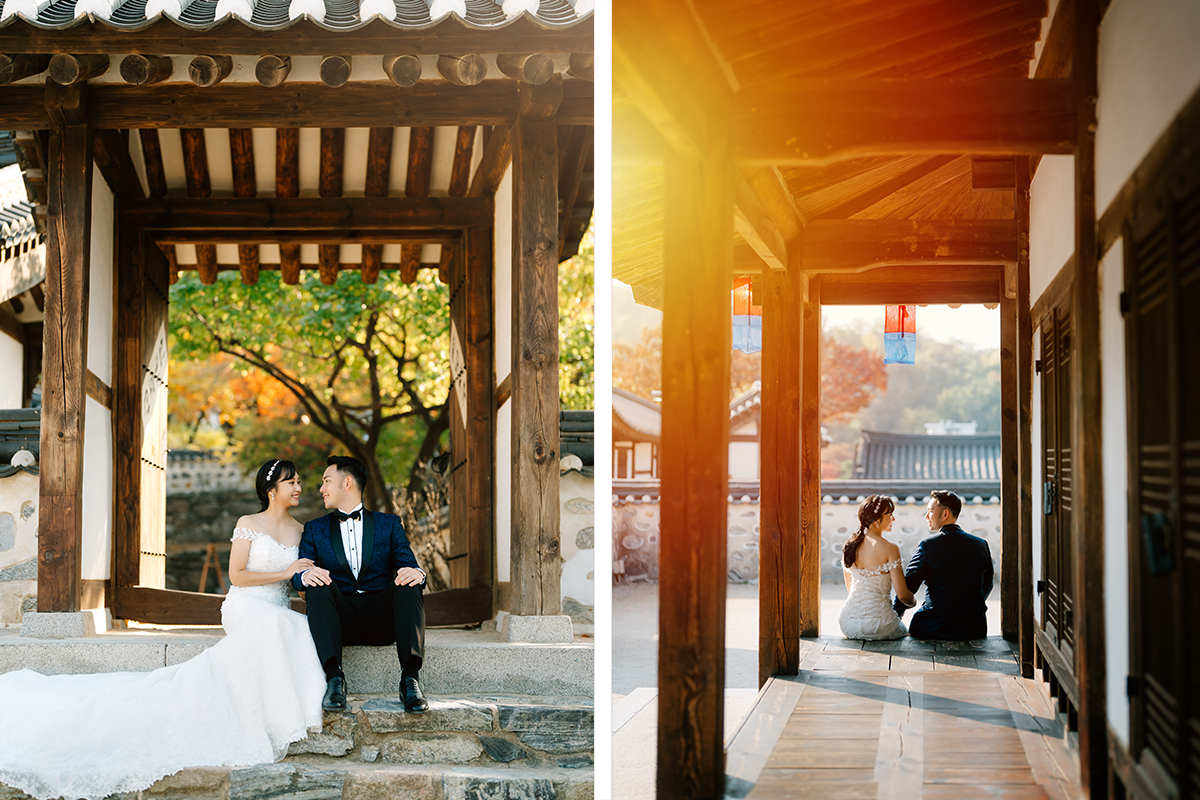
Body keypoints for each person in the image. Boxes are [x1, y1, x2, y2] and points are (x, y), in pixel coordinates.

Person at [0, 459, 326, 800]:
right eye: (293, 482)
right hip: (245, 604)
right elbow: (237, 577)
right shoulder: (248, 523)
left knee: (294, 625)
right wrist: (285, 572)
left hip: (275, 607)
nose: (300, 487)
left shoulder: (301, 531)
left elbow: (301, 578)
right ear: (272, 490)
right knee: (275, 624)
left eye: (299, 481)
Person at [294, 455, 429, 714]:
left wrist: (418, 575)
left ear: (347, 483)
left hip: (381, 619)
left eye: (326, 481)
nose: (321, 488)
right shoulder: (314, 529)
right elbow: (298, 572)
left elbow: (408, 564)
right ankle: (335, 679)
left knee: (409, 581)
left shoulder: (389, 525)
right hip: (339, 621)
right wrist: (304, 577)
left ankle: (410, 679)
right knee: (317, 580)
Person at [893, 490, 994, 640]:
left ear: (945, 514)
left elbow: (909, 585)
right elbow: (987, 584)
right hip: (974, 628)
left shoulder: (928, 546)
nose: (927, 516)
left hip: (934, 627)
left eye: (931, 511)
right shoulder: (981, 544)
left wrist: (895, 616)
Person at [838, 494, 916, 640]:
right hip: (880, 625)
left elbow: (850, 589)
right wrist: (913, 602)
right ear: (875, 520)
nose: (894, 519)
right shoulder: (891, 548)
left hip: (848, 624)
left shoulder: (850, 546)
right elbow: (903, 595)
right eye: (890, 514)